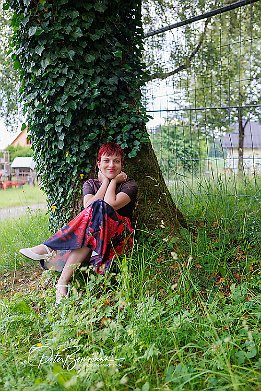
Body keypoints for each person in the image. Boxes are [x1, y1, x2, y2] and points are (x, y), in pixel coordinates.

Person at [19, 142, 137, 304]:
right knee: (92, 224)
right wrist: (104, 183)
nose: (111, 165)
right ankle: (62, 284)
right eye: (106, 160)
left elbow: (110, 204)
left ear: (122, 164)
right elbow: (88, 207)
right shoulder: (90, 184)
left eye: (116, 161)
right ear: (98, 164)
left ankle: (49, 247)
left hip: (118, 237)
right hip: (93, 235)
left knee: (99, 207)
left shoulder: (129, 184)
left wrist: (113, 181)